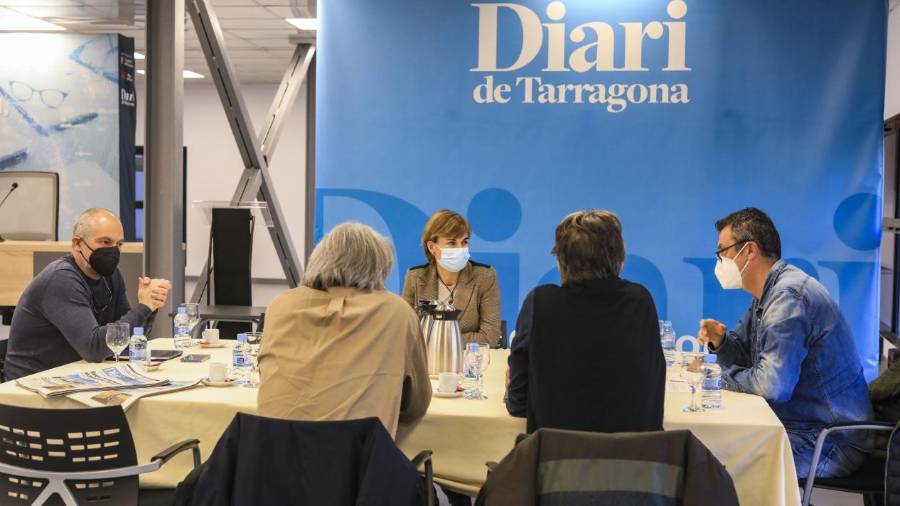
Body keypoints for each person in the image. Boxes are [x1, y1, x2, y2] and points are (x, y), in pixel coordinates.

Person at [698, 208, 873, 479]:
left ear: (750, 250)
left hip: (830, 440)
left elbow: (771, 387)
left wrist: (715, 378)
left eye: (723, 251)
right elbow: (745, 355)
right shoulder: (767, 293)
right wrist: (720, 343)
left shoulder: (788, 297)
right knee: (713, 456)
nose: (720, 260)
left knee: (722, 469)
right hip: (803, 426)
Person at [257, 222, 431, 438]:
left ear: (318, 259)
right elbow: (417, 405)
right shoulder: (396, 312)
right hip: (359, 464)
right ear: (380, 268)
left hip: (271, 462)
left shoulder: (281, 305)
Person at [506, 210, 665, 434]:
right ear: (619, 261)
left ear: (561, 263)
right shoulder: (640, 301)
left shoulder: (540, 303)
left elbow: (518, 403)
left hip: (556, 463)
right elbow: (650, 399)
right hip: (635, 463)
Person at [5, 208, 170, 380]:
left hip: (75, 377)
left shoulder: (111, 275)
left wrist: (152, 303)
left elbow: (127, 341)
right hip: (33, 387)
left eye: (119, 244)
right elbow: (93, 349)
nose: (113, 251)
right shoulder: (61, 278)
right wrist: (143, 307)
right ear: (77, 244)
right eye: (105, 242)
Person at [402, 209, 501, 346]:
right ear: (432, 247)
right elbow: (405, 331)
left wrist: (439, 340)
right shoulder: (415, 277)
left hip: (467, 362)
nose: (461, 248)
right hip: (426, 363)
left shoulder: (484, 276)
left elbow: (490, 335)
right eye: (452, 243)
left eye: (464, 242)